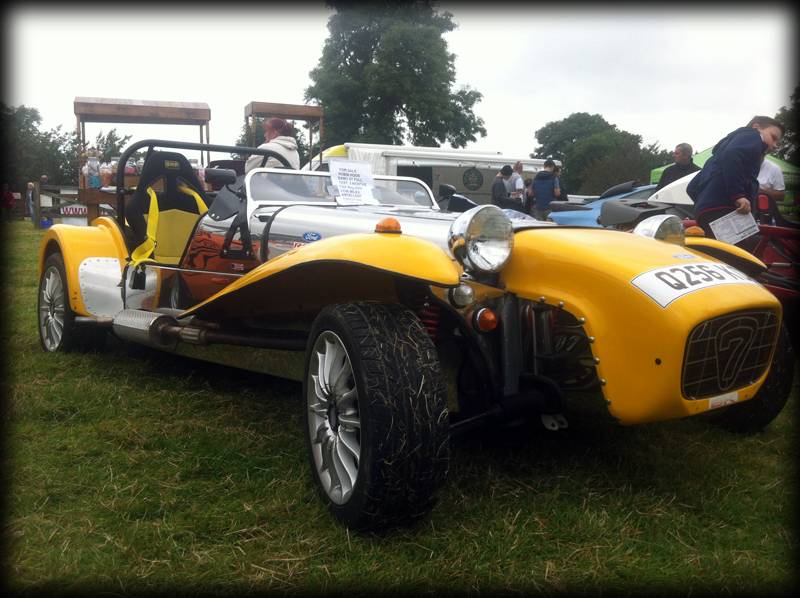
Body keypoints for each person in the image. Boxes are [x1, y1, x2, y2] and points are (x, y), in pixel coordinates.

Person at [687, 115, 784, 240]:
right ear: (756, 127)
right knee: (741, 253)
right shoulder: (752, 135)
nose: (775, 145)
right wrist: (738, 195)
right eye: (773, 137)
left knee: (719, 252)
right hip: (729, 209)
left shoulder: (714, 160)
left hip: (705, 212)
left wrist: (704, 203)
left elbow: (691, 187)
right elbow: (732, 154)